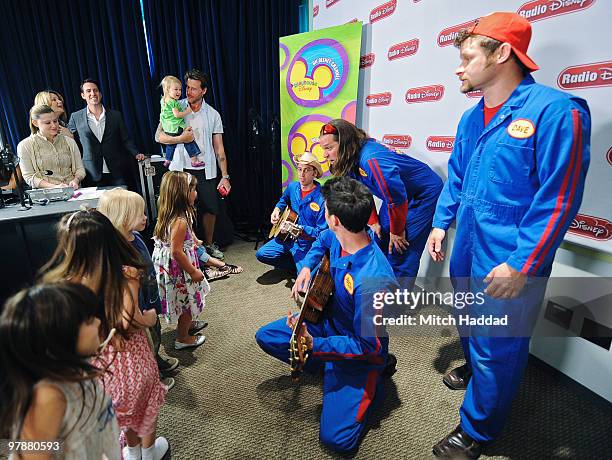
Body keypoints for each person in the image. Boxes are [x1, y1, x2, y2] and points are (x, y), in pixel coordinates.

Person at [426, 12, 590, 459]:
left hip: (511, 252)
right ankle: (479, 373)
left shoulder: (557, 112)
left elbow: (557, 199)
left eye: (466, 57)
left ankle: (477, 431)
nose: (458, 68)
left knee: (499, 345)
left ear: (501, 53)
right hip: (468, 247)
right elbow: (457, 179)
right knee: (471, 324)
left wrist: (522, 264)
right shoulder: (470, 118)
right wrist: (441, 223)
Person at [255, 176, 398, 453]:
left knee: (337, 441)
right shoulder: (340, 233)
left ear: (333, 219)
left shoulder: (374, 280)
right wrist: (307, 267)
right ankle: (328, 364)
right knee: (268, 336)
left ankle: (375, 376)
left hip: (359, 350)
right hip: (327, 324)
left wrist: (315, 346)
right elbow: (320, 241)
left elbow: (368, 345)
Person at [40, 209, 169, 460]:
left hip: (101, 367)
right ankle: (150, 452)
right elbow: (127, 321)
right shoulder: (125, 273)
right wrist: (150, 317)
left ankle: (132, 453)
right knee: (145, 407)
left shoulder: (67, 283)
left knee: (125, 412)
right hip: (133, 361)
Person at [0, 282, 120, 460]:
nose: (98, 321)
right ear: (59, 338)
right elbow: (34, 454)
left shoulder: (79, 369)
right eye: (88, 320)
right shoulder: (49, 396)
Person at [319, 119, 443, 287]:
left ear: (345, 143)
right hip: (398, 195)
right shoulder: (350, 156)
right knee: (380, 238)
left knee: (400, 249)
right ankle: (380, 289)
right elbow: (361, 190)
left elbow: (397, 199)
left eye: (329, 148)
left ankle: (395, 306)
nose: (325, 155)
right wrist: (374, 221)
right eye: (323, 149)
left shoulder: (371, 159)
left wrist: (397, 231)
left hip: (422, 194)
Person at [98, 188, 180, 387]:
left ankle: (155, 360)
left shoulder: (136, 237)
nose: (145, 217)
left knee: (155, 334)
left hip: (149, 296)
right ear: (123, 217)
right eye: (140, 214)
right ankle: (152, 379)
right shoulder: (116, 250)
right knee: (144, 341)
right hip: (136, 307)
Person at [155, 69, 230, 260]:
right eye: (187, 87)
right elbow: (159, 136)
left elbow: (219, 148)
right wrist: (181, 138)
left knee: (210, 208)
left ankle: (209, 245)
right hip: (180, 169)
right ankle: (181, 248)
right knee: (179, 210)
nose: (188, 92)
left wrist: (225, 176)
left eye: (193, 89)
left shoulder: (213, 114)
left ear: (203, 91)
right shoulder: (172, 106)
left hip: (206, 169)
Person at [152, 171, 209, 350]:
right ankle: (183, 338)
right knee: (185, 302)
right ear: (180, 194)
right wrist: (193, 271)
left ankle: (187, 325)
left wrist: (194, 241)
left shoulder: (171, 213)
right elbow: (177, 251)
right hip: (179, 269)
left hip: (170, 266)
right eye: (192, 189)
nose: (196, 193)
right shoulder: (180, 220)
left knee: (182, 299)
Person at [256, 152, 327, 274]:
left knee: (305, 286)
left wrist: (299, 229)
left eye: (306, 170)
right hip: (287, 239)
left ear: (314, 173)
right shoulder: (292, 187)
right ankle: (293, 265)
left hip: (306, 244)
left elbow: (321, 233)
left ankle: (301, 265)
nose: (301, 174)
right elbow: (283, 200)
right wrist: (277, 209)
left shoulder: (322, 199)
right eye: (299, 169)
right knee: (262, 254)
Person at [68, 78, 145, 186]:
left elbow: (125, 139)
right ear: (83, 95)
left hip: (116, 170)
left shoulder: (115, 115)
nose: (93, 93)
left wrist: (136, 153)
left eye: (95, 90)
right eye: (88, 91)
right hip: (91, 172)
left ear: (100, 93)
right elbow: (69, 138)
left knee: (120, 201)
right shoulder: (75, 117)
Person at [17, 104, 85, 189]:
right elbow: (29, 177)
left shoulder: (70, 141)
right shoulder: (24, 146)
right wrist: (55, 187)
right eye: (47, 123)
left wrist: (76, 180)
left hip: (74, 192)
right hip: (46, 197)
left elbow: (80, 169)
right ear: (35, 123)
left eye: (55, 121)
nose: (54, 125)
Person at [159, 75, 203, 168]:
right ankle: (194, 160)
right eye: (176, 89)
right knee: (189, 140)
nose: (179, 92)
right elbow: (177, 115)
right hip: (176, 127)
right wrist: (188, 110)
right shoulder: (174, 102)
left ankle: (167, 160)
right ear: (167, 90)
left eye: (180, 90)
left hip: (169, 129)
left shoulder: (163, 100)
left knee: (171, 145)